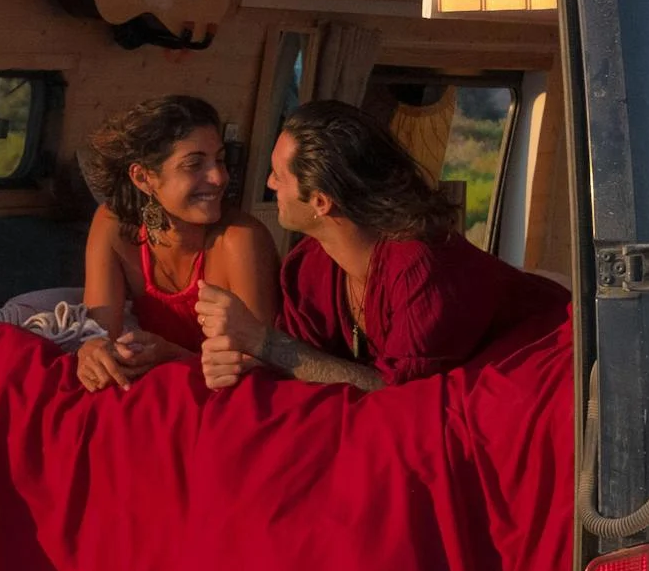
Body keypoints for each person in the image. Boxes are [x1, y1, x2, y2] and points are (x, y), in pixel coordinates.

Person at [197, 99, 567, 391]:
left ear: (321, 202)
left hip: (553, 374)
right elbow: (306, 363)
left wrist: (264, 342)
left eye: (280, 175)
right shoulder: (306, 267)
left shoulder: (419, 265)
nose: (270, 183)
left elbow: (404, 398)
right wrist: (246, 363)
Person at [76, 95, 277, 391]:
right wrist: (92, 351)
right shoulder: (112, 225)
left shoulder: (240, 240)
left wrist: (174, 357)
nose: (219, 177)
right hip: (162, 391)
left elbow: (259, 366)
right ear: (143, 177)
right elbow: (100, 332)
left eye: (220, 160)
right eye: (194, 164)